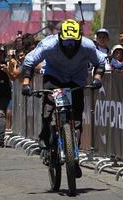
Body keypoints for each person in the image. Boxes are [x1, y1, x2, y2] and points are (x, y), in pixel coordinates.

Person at [21, 19, 105, 178]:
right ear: (60, 38)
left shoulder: (87, 45)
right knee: (48, 108)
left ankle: (75, 156)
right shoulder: (49, 44)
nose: (70, 46)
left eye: (74, 43)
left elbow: (100, 61)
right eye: (66, 42)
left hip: (76, 81)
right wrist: (26, 83)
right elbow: (29, 61)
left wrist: (98, 78)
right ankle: (45, 139)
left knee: (78, 119)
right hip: (55, 78)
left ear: (79, 39)